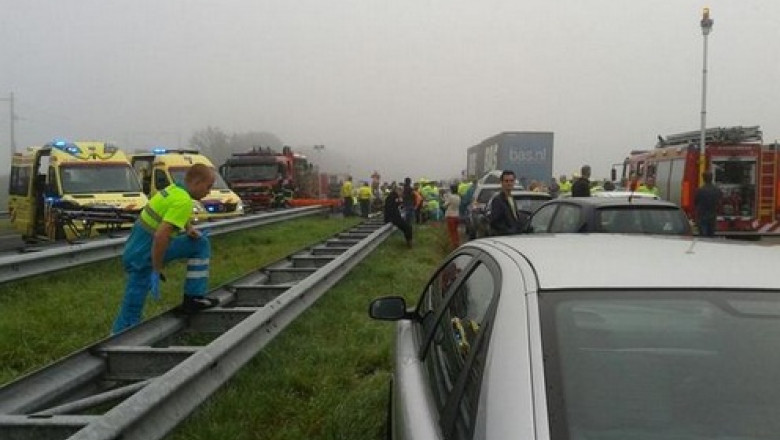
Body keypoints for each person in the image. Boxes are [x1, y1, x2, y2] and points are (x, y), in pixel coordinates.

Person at [112, 164, 217, 334]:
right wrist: (156, 267)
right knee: (133, 305)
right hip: (145, 252)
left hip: (136, 247)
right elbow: (161, 236)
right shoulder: (184, 201)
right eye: (208, 186)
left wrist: (188, 228)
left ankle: (193, 298)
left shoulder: (175, 190)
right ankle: (120, 339)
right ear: (197, 182)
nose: (209, 192)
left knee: (200, 243)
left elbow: (169, 214)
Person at [489, 170, 525, 236]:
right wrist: (509, 231)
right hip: (504, 237)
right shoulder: (498, 200)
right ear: (501, 182)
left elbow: (514, 218)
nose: (509, 183)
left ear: (514, 182)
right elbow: (495, 222)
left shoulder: (512, 198)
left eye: (511, 181)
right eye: (506, 181)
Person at [694, 171, 722, 237]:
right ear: (712, 178)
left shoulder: (700, 190)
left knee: (703, 235)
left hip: (702, 215)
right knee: (711, 234)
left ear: (703, 179)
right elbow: (720, 202)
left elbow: (696, 202)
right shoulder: (717, 190)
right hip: (713, 215)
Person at [443, 184, 461, 248]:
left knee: (451, 232)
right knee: (456, 231)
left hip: (450, 216)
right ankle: (457, 243)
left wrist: (445, 199)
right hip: (457, 215)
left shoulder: (451, 197)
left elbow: (445, 205)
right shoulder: (458, 197)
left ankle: (454, 245)